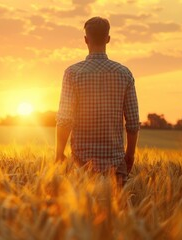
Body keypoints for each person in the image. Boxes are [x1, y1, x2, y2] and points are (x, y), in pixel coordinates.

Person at [55, 17, 140, 187]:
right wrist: (129, 155)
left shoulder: (73, 73)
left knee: (83, 213)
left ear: (86, 40)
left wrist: (59, 153)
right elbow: (132, 122)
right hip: (116, 164)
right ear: (108, 39)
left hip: (81, 165)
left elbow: (64, 119)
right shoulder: (124, 73)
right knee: (117, 212)